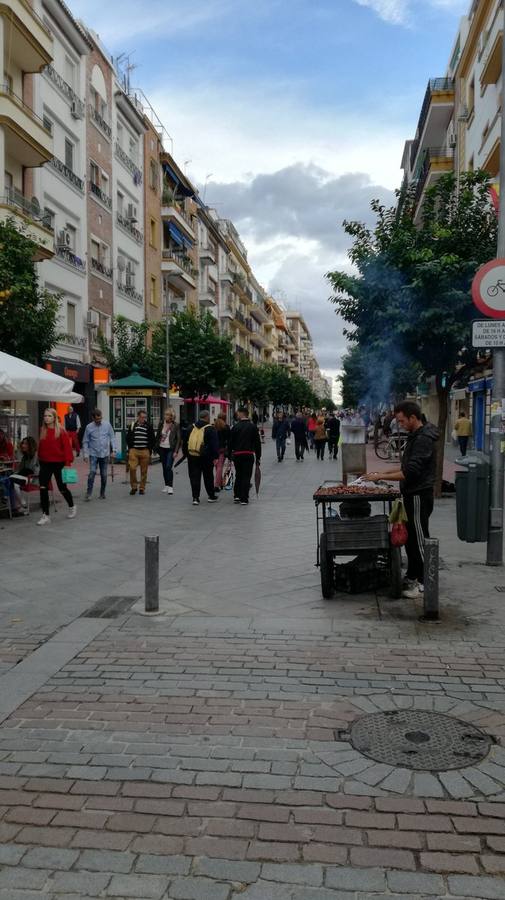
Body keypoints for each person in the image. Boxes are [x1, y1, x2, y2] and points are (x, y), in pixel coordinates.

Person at [366, 400, 439, 600]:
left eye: (401, 421)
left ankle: (425, 582)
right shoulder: (415, 436)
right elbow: (405, 465)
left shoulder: (423, 439)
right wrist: (380, 472)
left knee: (419, 538)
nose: (400, 425)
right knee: (411, 538)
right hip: (411, 493)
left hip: (418, 494)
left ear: (413, 418)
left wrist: (381, 477)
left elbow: (411, 472)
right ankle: (413, 574)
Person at [37, 408, 75, 526]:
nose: (46, 418)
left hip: (59, 463)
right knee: (43, 488)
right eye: (45, 416)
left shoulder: (61, 431)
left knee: (62, 488)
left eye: (49, 416)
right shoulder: (42, 430)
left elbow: (68, 449)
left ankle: (72, 506)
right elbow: (42, 447)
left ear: (54, 417)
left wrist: (68, 464)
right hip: (45, 463)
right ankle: (46, 515)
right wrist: (39, 459)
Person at [82, 409, 116, 501]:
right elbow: (85, 441)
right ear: (93, 418)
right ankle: (89, 493)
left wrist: (114, 451)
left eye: (100, 418)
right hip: (93, 453)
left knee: (104, 475)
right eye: (97, 419)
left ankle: (102, 493)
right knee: (92, 473)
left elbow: (112, 437)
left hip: (104, 454)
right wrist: (85, 454)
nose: (99, 421)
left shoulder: (107, 424)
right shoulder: (89, 427)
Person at [230, 407, 261, 505]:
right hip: (248, 454)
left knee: (238, 475)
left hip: (237, 455)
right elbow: (257, 443)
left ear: (242, 414)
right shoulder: (253, 427)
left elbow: (230, 442)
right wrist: (258, 456)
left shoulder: (235, 427)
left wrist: (229, 454)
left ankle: (237, 495)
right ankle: (244, 497)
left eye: (238, 413)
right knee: (246, 476)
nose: (237, 415)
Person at [187, 411, 219, 505]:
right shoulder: (210, 429)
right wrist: (215, 457)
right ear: (207, 417)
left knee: (194, 477)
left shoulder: (191, 427)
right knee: (208, 476)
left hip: (193, 456)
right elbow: (214, 445)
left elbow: (185, 441)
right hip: (206, 457)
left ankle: (195, 498)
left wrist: (187, 454)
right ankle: (211, 496)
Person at [126, 410, 156, 496]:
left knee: (144, 471)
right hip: (134, 450)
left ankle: (142, 488)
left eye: (144, 417)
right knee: (132, 468)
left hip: (144, 450)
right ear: (138, 417)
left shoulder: (148, 426)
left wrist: (150, 450)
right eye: (142, 417)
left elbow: (152, 438)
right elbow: (128, 437)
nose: (143, 419)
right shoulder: (133, 425)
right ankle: (134, 487)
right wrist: (130, 448)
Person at [9, 437, 39, 514]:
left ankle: (22, 505)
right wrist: (15, 472)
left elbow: (35, 471)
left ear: (30, 445)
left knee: (11, 479)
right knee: (14, 483)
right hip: (24, 477)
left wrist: (19, 473)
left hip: (33, 478)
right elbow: (20, 469)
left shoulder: (36, 455)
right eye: (22, 443)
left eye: (25, 443)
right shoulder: (25, 456)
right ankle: (23, 504)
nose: (23, 445)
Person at [156, 410, 181, 495]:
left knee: (168, 467)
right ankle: (166, 485)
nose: (165, 416)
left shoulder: (176, 425)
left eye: (167, 415)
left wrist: (176, 451)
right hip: (162, 448)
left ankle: (170, 486)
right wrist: (156, 448)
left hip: (171, 449)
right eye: (165, 414)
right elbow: (158, 435)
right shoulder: (161, 423)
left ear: (171, 416)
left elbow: (178, 439)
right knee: (164, 467)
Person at [214, 412, 231, 491]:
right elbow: (229, 439)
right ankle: (217, 484)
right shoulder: (226, 427)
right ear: (225, 418)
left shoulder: (213, 426)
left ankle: (219, 483)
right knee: (220, 466)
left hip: (214, 449)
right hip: (222, 449)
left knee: (217, 466)